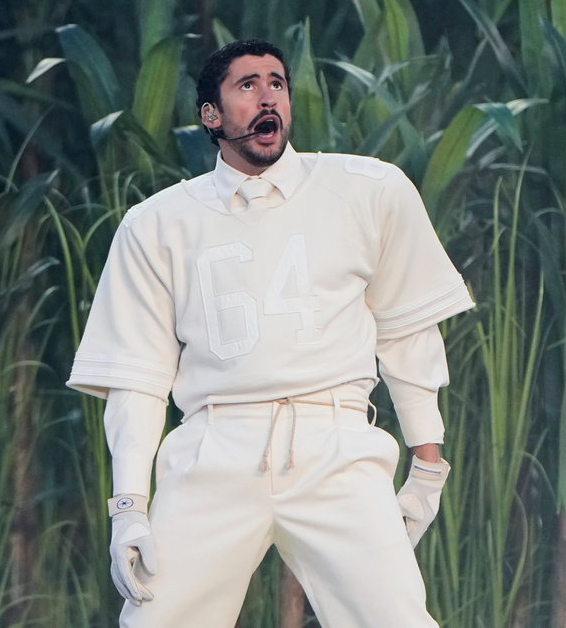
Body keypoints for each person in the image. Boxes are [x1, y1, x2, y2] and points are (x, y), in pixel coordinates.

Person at [67, 38, 474, 627]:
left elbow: (406, 332)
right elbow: (139, 376)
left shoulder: (369, 190)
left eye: (277, 83)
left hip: (335, 442)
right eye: (247, 85)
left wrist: (428, 465)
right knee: (156, 621)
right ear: (211, 115)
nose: (268, 98)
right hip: (214, 448)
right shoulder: (156, 224)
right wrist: (128, 506)